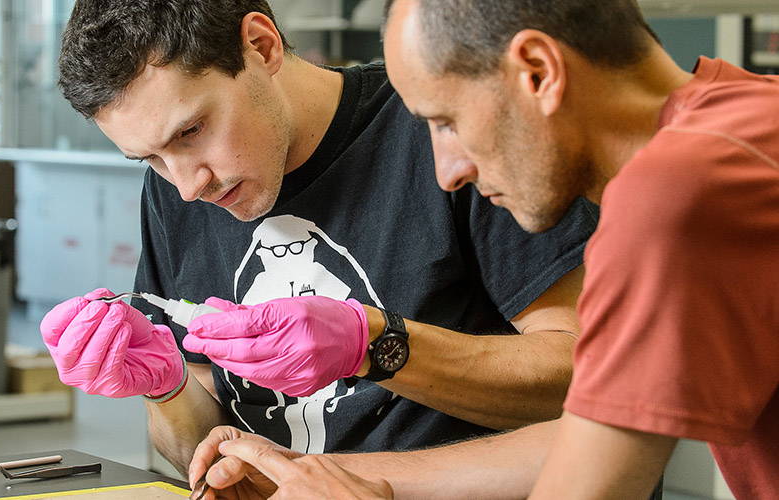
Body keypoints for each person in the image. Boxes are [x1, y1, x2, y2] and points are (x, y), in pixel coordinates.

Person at [190, 0, 779, 498]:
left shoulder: (680, 192)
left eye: (445, 121)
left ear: (538, 71)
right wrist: (329, 474)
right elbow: (588, 438)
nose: (448, 171)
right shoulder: (746, 123)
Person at [42, 0, 597, 478]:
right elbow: (203, 444)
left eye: (191, 131)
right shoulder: (173, 189)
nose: (189, 186)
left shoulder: (440, 127)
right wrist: (166, 388)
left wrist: (377, 346)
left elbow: (590, 379)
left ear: (261, 47)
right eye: (151, 158)